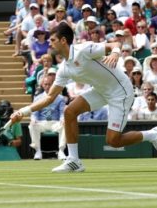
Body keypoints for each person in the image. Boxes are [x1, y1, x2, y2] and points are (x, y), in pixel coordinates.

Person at [10, 22, 157, 173]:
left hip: (121, 91)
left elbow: (115, 44)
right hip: (101, 90)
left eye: (52, 39)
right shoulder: (64, 69)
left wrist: (114, 53)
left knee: (114, 141)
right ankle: (74, 161)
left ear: (63, 41)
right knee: (69, 111)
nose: (49, 43)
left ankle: (152, 135)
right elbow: (49, 98)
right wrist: (23, 111)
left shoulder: (83, 49)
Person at [28, 75, 66, 160]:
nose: (48, 86)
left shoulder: (60, 98)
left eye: (49, 84)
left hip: (55, 122)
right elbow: (34, 112)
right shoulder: (37, 98)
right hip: (42, 122)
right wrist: (33, 119)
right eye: (46, 84)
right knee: (32, 125)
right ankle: (38, 151)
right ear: (42, 85)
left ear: (53, 85)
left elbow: (62, 112)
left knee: (65, 124)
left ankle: (61, 151)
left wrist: (62, 119)